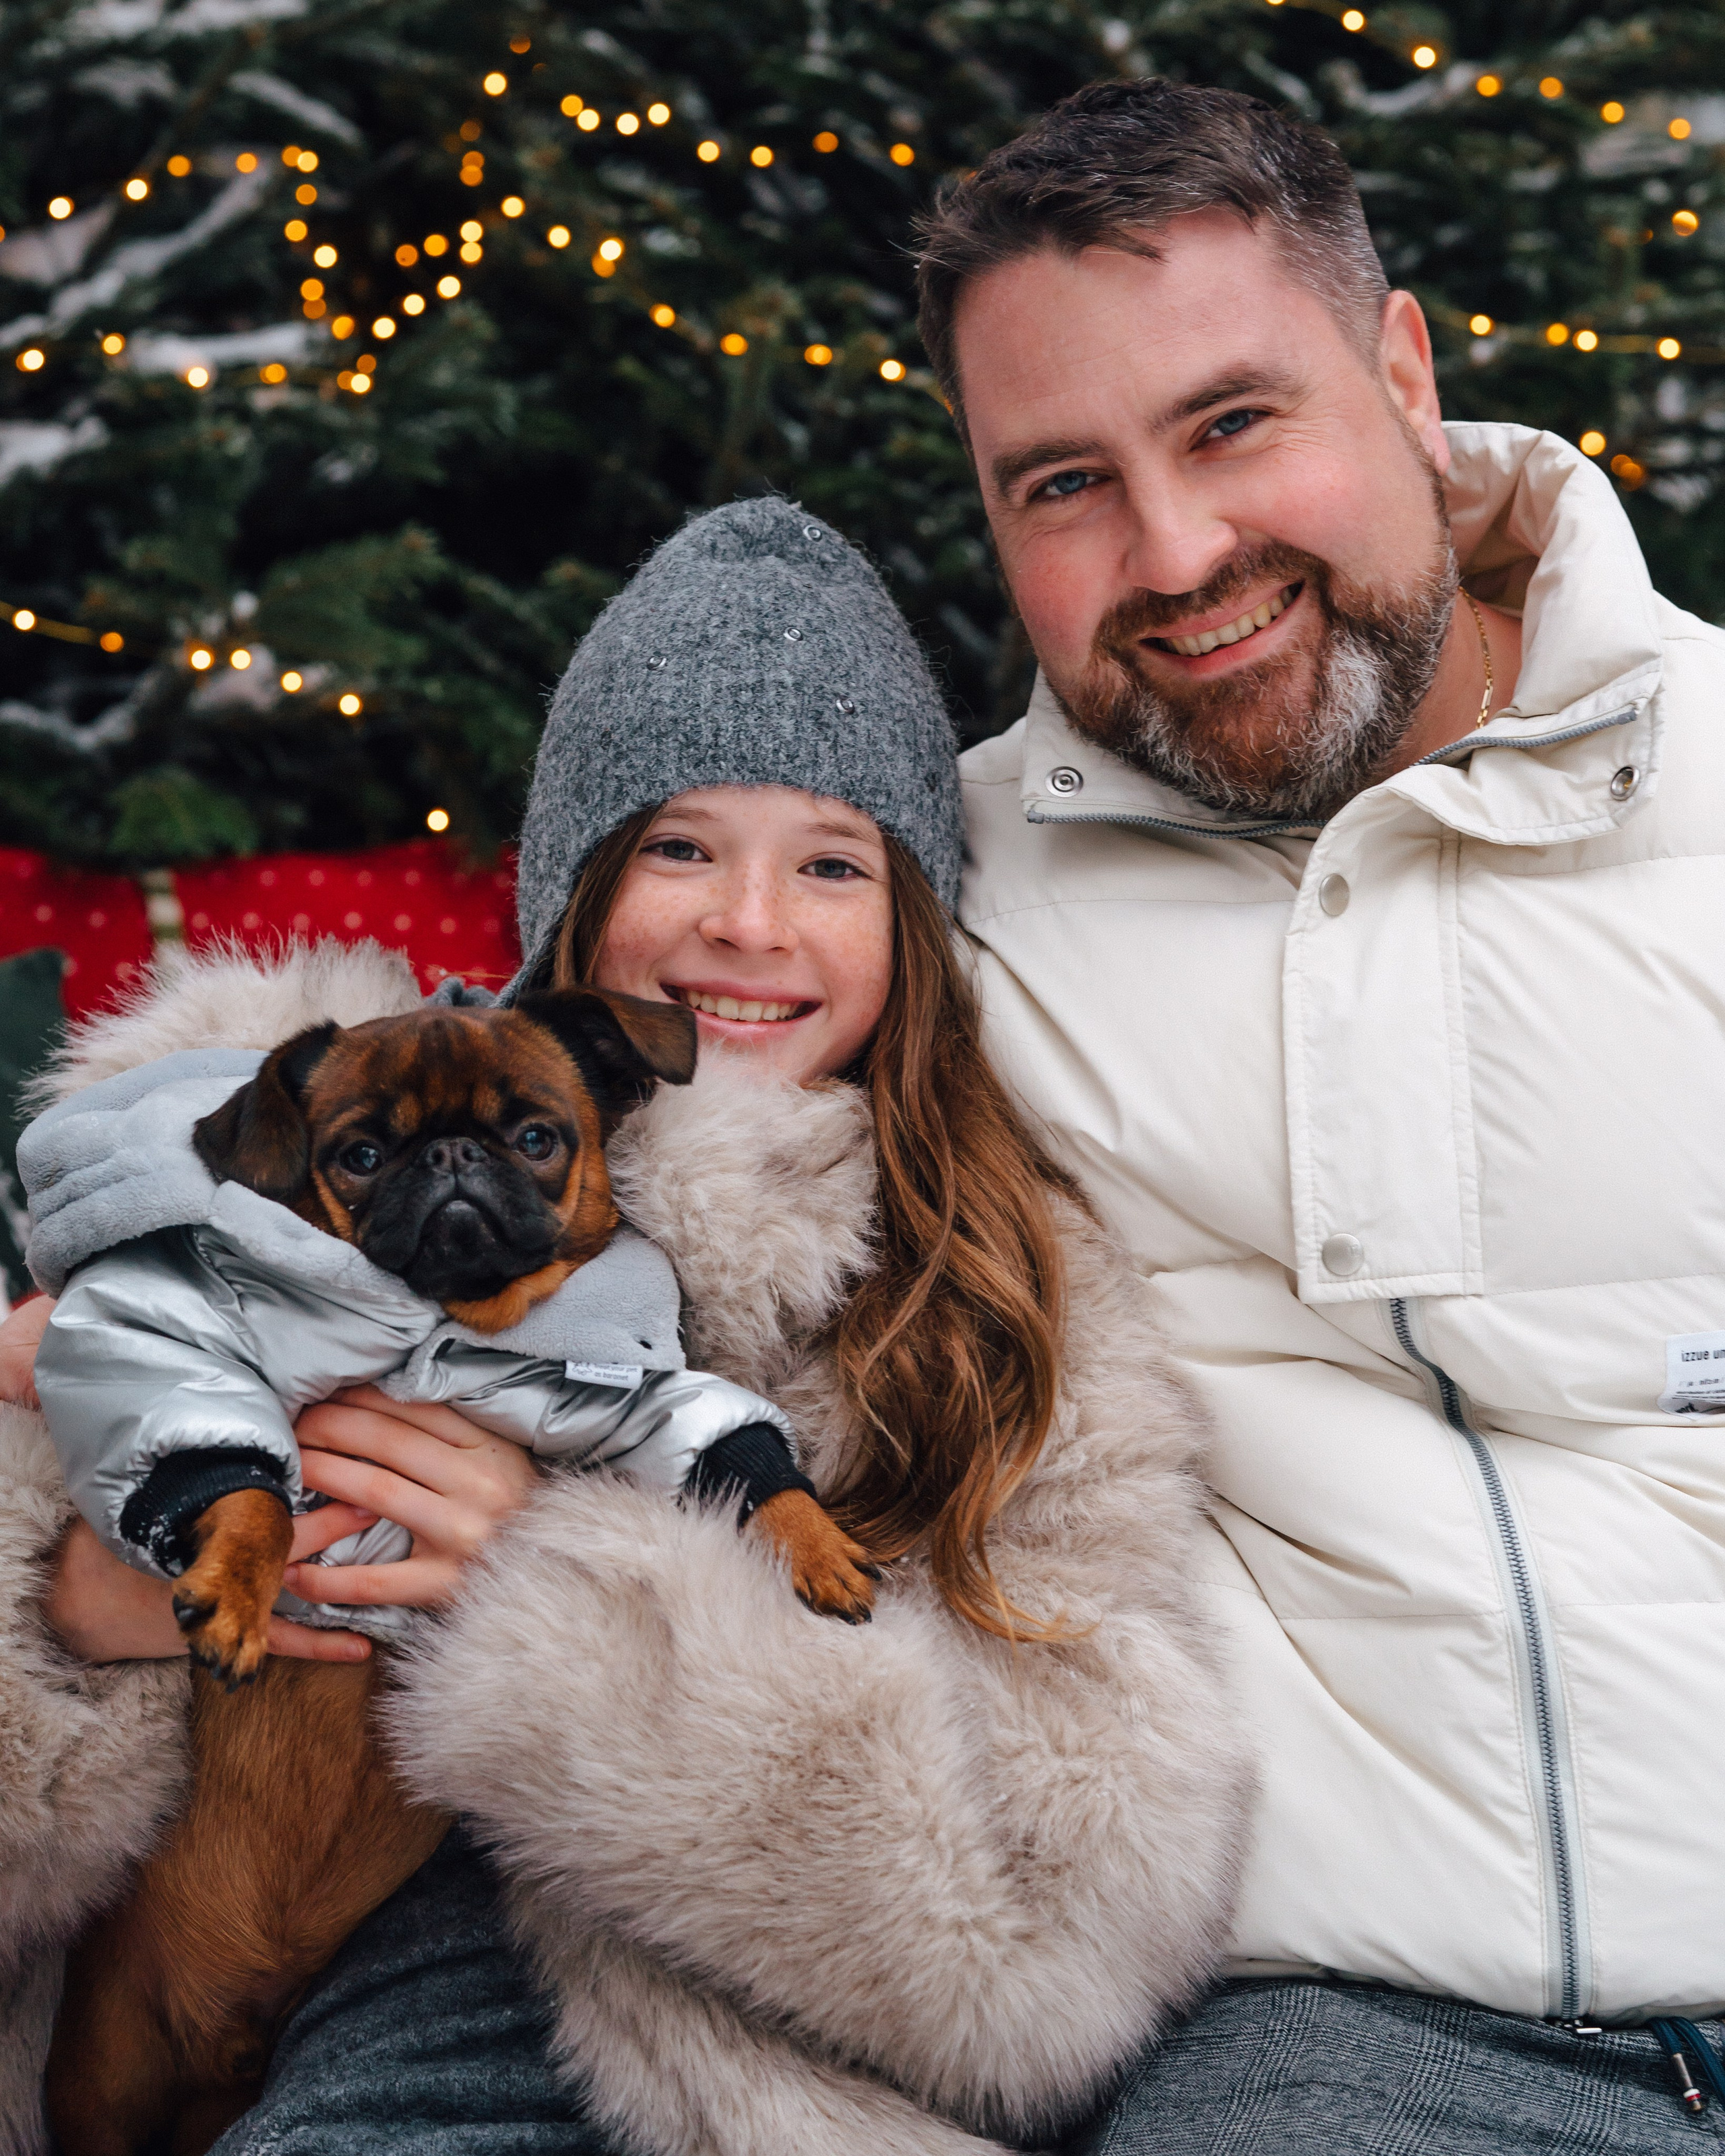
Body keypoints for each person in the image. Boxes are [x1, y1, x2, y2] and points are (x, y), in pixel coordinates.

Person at [0, 497, 1247, 2156]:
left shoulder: (1001, 1302)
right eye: (677, 847)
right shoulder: (264, 1143)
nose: (747, 920)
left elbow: (1049, 1939)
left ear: (916, 922)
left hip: (707, 2075)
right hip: (181, 2015)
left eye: (830, 862)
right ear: (573, 889)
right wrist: (65, 1604)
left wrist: (560, 1596)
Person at [918, 75, 1725, 2153]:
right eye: (1063, 486)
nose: (1176, 557)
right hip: (1356, 2037)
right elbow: (572, 1111)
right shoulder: (940, 912)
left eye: (1229, 425)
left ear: (1401, 367)